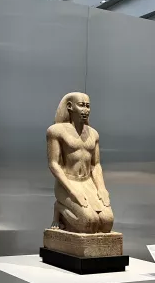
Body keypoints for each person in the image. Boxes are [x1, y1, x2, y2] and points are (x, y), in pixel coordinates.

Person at [46, 92, 114, 233]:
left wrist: (101, 188)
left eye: (88, 106)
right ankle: (60, 207)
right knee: (89, 222)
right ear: (70, 106)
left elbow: (96, 165)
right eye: (81, 105)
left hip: (88, 183)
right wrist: (72, 191)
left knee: (107, 222)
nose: (85, 110)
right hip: (68, 183)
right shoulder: (56, 131)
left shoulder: (93, 134)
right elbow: (54, 164)